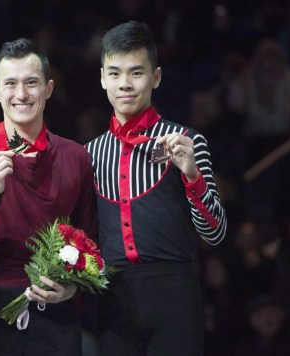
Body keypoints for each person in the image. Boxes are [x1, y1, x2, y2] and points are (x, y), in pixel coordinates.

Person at [85, 21, 227, 355]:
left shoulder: (188, 142)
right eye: (116, 73)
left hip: (174, 293)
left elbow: (216, 234)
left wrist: (191, 173)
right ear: (103, 77)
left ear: (157, 77)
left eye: (136, 73)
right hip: (114, 297)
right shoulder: (89, 153)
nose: (125, 84)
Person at [0, 38, 95, 355]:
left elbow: (91, 243)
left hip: (57, 317)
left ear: (49, 88)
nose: (21, 94)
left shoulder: (76, 157)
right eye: (11, 84)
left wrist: (72, 288)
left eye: (31, 83)